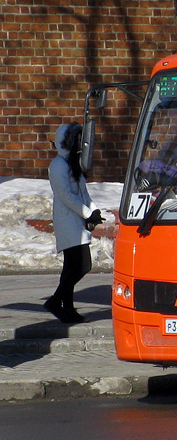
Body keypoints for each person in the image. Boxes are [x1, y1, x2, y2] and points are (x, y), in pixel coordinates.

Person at [45, 122, 103, 324]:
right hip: (67, 221)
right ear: (66, 142)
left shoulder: (73, 164)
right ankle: (56, 301)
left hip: (77, 220)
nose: (80, 142)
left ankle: (66, 308)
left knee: (72, 267)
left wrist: (93, 209)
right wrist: (87, 213)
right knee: (80, 265)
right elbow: (66, 196)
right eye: (76, 139)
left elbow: (83, 192)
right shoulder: (58, 165)